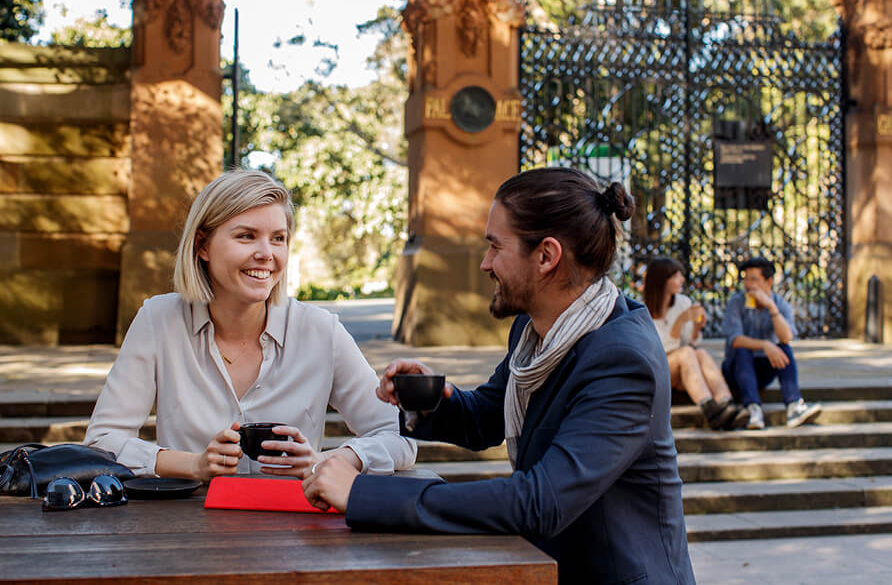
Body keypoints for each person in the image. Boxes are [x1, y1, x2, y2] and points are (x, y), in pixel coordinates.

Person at [303, 168, 695, 585]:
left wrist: (361, 493)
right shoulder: (534, 329)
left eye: (495, 246)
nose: (486, 263)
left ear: (546, 256)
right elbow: (490, 414)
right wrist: (429, 398)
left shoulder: (622, 359)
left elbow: (541, 501)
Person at [84, 169, 416, 481]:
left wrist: (324, 461)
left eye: (278, 238)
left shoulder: (321, 331)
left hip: (294, 530)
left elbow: (398, 438)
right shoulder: (159, 320)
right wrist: (194, 465)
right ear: (202, 246)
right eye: (246, 236)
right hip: (188, 529)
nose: (266, 253)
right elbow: (102, 442)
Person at [643, 256, 749, 430]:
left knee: (700, 353)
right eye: (676, 276)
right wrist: (680, 322)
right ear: (663, 280)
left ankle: (725, 402)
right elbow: (657, 350)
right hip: (659, 371)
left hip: (682, 367)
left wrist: (696, 328)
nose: (682, 280)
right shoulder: (643, 310)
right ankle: (711, 410)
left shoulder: (683, 302)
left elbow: (691, 343)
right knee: (686, 353)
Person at [721, 255, 821, 430]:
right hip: (736, 370)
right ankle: (753, 409)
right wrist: (766, 345)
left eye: (754, 279)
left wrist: (771, 308)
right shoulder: (736, 303)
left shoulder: (780, 305)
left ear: (769, 282)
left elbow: (786, 337)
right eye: (746, 279)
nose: (748, 285)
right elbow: (735, 340)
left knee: (784, 348)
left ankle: (794, 405)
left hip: (765, 369)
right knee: (742, 350)